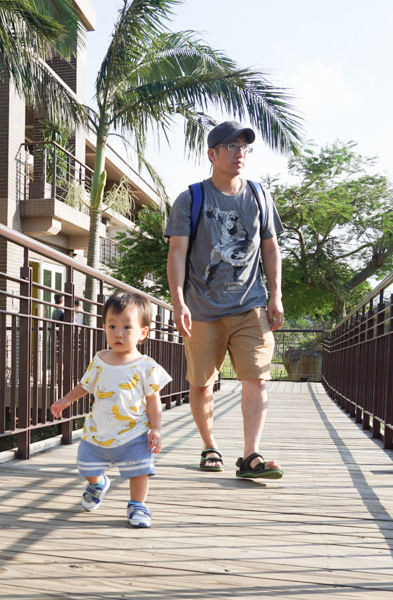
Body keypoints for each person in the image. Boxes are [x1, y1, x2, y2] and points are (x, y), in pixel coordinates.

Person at [164, 120, 285, 479]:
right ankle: (209, 446)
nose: (239, 153)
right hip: (202, 306)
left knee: (258, 378)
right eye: (231, 147)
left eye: (244, 147)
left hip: (250, 304)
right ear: (212, 154)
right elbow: (176, 253)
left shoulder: (260, 195)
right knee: (202, 383)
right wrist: (178, 301)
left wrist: (275, 295)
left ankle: (251, 455)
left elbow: (270, 247)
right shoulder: (191, 198)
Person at [50, 292, 172, 528]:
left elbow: (153, 400)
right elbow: (85, 385)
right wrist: (66, 400)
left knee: (139, 472)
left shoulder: (146, 366)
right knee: (87, 467)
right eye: (112, 326)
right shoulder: (100, 359)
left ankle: (137, 504)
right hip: (98, 431)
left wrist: (156, 428)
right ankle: (97, 484)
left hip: (134, 432)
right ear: (104, 327)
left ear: (142, 333)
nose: (118, 333)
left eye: (127, 327)